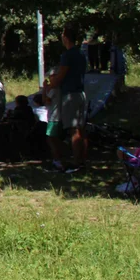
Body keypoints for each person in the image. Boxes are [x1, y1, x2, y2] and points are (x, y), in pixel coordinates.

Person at [46, 22, 88, 173]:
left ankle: (77, 163)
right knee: (81, 129)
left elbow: (60, 77)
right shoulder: (81, 54)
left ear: (65, 37)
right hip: (81, 93)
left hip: (70, 95)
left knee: (74, 130)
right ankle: (82, 160)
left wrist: (51, 81)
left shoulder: (68, 55)